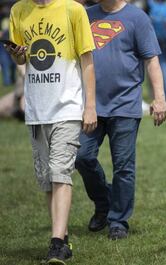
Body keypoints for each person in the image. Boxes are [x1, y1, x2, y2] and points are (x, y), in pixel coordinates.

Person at [7, 0, 97, 263]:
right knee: (47, 178)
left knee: (60, 172)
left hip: (67, 107)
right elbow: (22, 58)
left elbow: (87, 60)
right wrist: (18, 54)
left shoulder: (73, 9)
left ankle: (56, 243)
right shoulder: (18, 10)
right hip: (37, 110)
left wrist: (90, 106)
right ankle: (63, 238)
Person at [75, 0, 166, 240]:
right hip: (91, 105)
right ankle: (104, 202)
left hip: (125, 105)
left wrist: (159, 98)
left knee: (123, 168)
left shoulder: (137, 17)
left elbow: (152, 61)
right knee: (81, 157)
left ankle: (118, 221)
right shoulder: (85, 15)